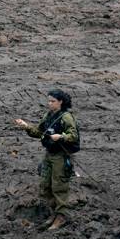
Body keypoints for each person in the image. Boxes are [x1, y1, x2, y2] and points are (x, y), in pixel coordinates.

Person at [15, 89, 79, 230]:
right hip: (49, 154)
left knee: (59, 186)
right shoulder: (49, 115)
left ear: (60, 102)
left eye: (53, 101)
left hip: (61, 156)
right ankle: (52, 214)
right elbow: (39, 132)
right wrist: (26, 127)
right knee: (45, 184)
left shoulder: (66, 117)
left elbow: (73, 135)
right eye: (48, 101)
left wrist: (61, 137)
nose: (49, 104)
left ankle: (61, 217)